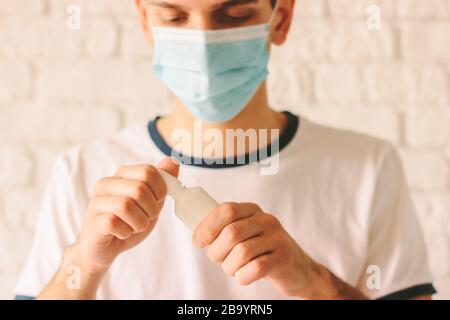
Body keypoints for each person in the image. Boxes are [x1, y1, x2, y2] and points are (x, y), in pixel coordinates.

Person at [14, 0, 436, 300]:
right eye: (175, 15)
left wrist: (311, 282)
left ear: (281, 18)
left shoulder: (368, 167)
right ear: (145, 21)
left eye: (233, 14)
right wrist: (84, 266)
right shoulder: (83, 172)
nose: (202, 42)